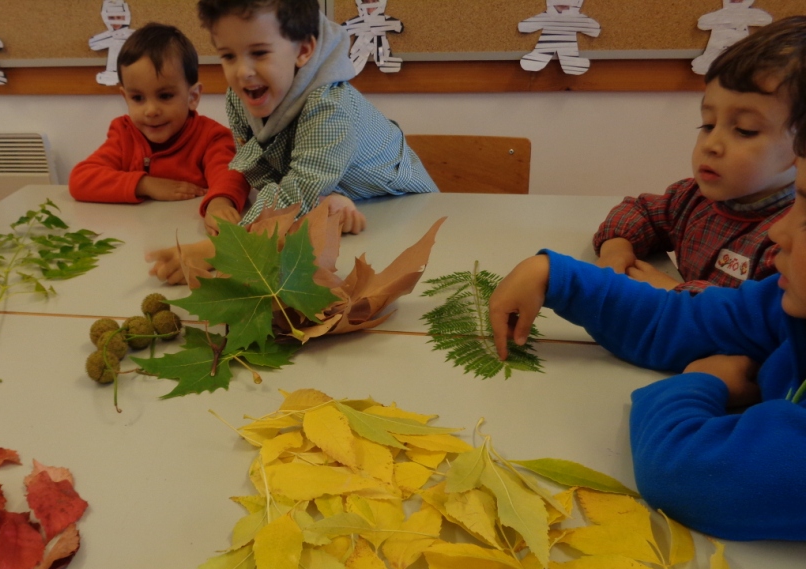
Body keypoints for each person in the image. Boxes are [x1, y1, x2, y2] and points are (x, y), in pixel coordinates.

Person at [488, 66, 806, 540]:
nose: (780, 230)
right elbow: (684, 321)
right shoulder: (784, 299)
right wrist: (558, 277)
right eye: (707, 124)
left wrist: (703, 380)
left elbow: (685, 473)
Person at [147, 0, 436, 285]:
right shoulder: (239, 97)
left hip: (406, 212)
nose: (242, 71)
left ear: (304, 50)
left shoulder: (330, 106)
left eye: (259, 52)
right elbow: (264, 173)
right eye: (228, 56)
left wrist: (217, 251)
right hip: (341, 210)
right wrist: (314, 204)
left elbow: (296, 193)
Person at [595, 16, 805, 292]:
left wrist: (673, 294)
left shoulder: (791, 240)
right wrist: (616, 248)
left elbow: (753, 316)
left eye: (745, 130)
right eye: (708, 125)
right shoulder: (693, 197)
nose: (711, 144)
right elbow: (640, 211)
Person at [69, 22, 249, 236]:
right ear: (125, 97)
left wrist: (220, 203)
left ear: (193, 97)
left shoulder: (211, 137)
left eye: (165, 96)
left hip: (190, 237)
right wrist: (145, 184)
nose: (151, 110)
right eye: (138, 98)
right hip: (138, 241)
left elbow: (233, 174)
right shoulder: (124, 134)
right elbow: (80, 179)